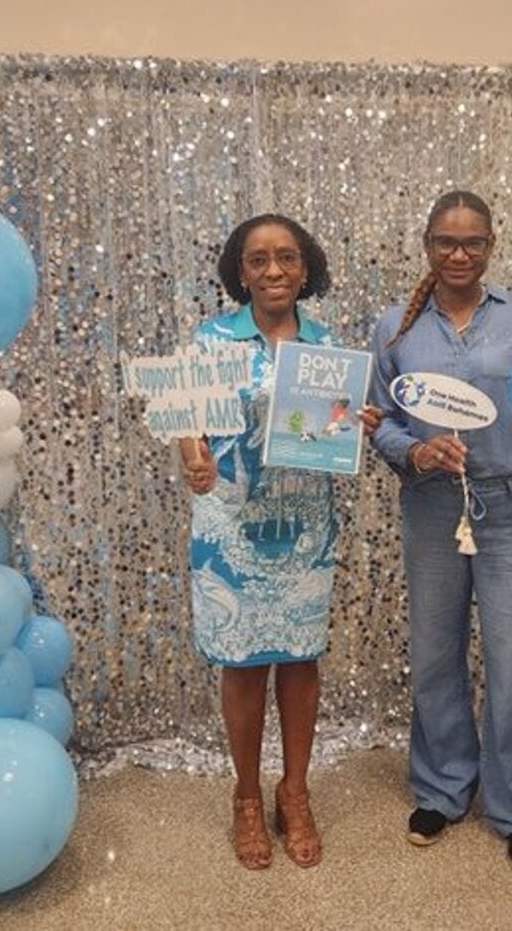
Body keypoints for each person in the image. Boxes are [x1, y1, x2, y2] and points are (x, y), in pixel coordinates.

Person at [368, 190, 512, 875]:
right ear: (426, 245)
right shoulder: (395, 328)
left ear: (492, 244)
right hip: (434, 507)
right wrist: (416, 452)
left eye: (473, 243)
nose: (459, 255)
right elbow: (381, 422)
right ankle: (441, 787)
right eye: (445, 243)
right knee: (435, 654)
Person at [179, 213, 382, 870]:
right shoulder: (210, 340)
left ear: (306, 266)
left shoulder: (326, 345)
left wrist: (358, 421)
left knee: (299, 661)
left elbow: (332, 430)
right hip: (230, 525)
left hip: (303, 529)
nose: (273, 270)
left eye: (286, 258)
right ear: (240, 270)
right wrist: (195, 459)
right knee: (241, 664)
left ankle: (294, 792)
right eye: (258, 259)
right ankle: (245, 798)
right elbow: (190, 423)